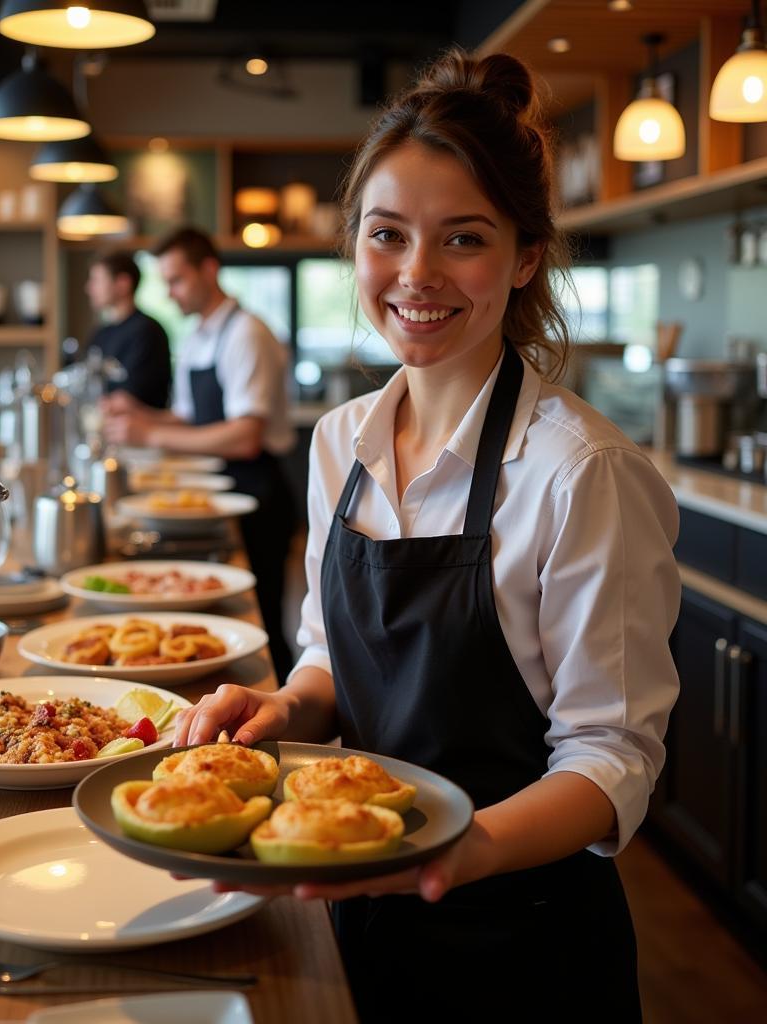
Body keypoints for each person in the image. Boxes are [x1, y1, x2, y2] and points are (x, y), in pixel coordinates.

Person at [171, 50, 681, 1022]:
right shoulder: (339, 442)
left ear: (524, 256)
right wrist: (284, 708)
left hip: (520, 941)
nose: (415, 275)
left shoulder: (580, 471)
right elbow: (332, 656)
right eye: (386, 234)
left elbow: (611, 759)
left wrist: (465, 847)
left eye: (462, 239)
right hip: (351, 907)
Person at [103, 227, 297, 680]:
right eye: (165, 282)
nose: (170, 294)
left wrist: (150, 437)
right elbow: (191, 416)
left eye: (176, 281)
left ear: (209, 269)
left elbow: (246, 435)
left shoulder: (246, 332)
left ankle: (281, 701)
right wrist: (142, 415)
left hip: (259, 488)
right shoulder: (197, 334)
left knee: (262, 619)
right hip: (223, 487)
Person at [84, 250, 172, 409]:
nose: (89, 288)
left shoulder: (147, 331)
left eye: (96, 280)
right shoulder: (100, 333)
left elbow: (132, 398)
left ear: (123, 284)